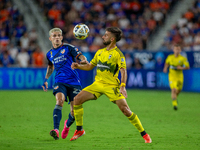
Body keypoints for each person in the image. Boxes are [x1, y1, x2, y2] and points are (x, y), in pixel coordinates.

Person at [70, 27, 152, 143]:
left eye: (106, 35)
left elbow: (123, 70)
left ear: (112, 39)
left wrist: (122, 86)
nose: (103, 37)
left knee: (126, 110)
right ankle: (79, 130)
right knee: (77, 99)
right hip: (97, 84)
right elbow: (89, 66)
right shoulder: (100, 52)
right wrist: (78, 66)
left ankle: (144, 134)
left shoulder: (118, 54)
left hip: (111, 86)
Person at [42, 28, 88, 140]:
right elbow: (50, 66)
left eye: (59, 35)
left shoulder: (69, 47)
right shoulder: (49, 54)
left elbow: (80, 55)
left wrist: (83, 59)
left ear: (62, 37)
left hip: (74, 82)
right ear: (50, 38)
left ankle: (66, 125)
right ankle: (56, 130)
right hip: (60, 81)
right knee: (59, 101)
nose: (57, 37)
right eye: (54, 36)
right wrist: (46, 79)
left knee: (74, 111)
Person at [163, 44, 190, 110]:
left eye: (178, 49)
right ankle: (175, 104)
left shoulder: (183, 58)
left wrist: (181, 67)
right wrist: (165, 68)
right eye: (176, 49)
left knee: (179, 90)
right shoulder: (170, 57)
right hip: (172, 76)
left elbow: (188, 67)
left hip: (179, 76)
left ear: (180, 50)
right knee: (174, 89)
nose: (177, 50)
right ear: (173, 50)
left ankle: (175, 98)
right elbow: (167, 63)